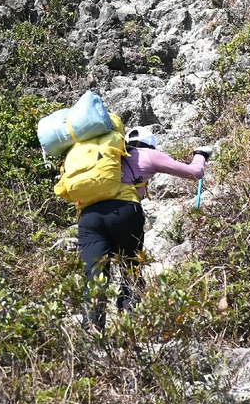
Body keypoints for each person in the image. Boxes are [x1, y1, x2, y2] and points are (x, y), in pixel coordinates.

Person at [77, 128, 214, 332]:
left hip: (88, 217)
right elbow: (195, 173)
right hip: (124, 213)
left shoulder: (107, 155)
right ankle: (130, 328)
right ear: (149, 143)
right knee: (131, 270)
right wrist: (200, 155)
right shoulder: (147, 154)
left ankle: (92, 334)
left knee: (94, 276)